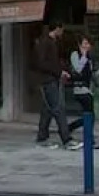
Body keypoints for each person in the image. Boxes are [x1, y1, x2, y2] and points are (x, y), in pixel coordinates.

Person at [32, 21, 72, 149]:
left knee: (47, 110)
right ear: (57, 28)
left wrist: (62, 71)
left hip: (52, 79)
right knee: (58, 108)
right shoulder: (45, 42)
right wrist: (58, 72)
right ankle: (66, 139)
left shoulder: (52, 43)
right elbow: (41, 63)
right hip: (47, 80)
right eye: (62, 30)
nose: (62, 33)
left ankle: (42, 137)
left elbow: (53, 62)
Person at [66, 35, 99, 150]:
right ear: (79, 45)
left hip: (88, 89)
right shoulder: (75, 54)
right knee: (90, 115)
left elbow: (91, 74)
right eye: (85, 44)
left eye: (88, 44)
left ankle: (72, 128)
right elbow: (78, 69)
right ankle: (88, 139)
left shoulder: (89, 57)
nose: (87, 46)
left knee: (90, 115)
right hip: (79, 89)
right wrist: (83, 56)